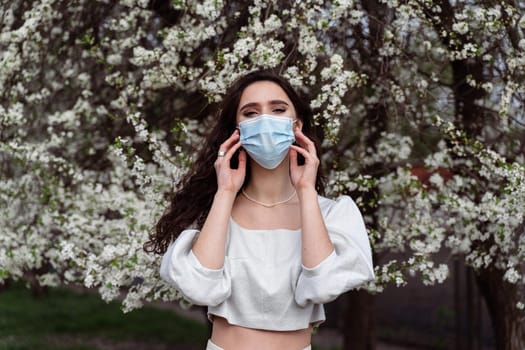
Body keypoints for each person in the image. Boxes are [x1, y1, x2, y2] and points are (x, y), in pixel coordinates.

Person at [144, 70, 375, 350]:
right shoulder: (214, 212)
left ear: (297, 125)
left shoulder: (331, 214)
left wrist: (306, 190)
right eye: (251, 113)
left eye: (278, 109)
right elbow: (199, 287)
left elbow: (323, 284)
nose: (265, 120)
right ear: (236, 131)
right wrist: (225, 192)